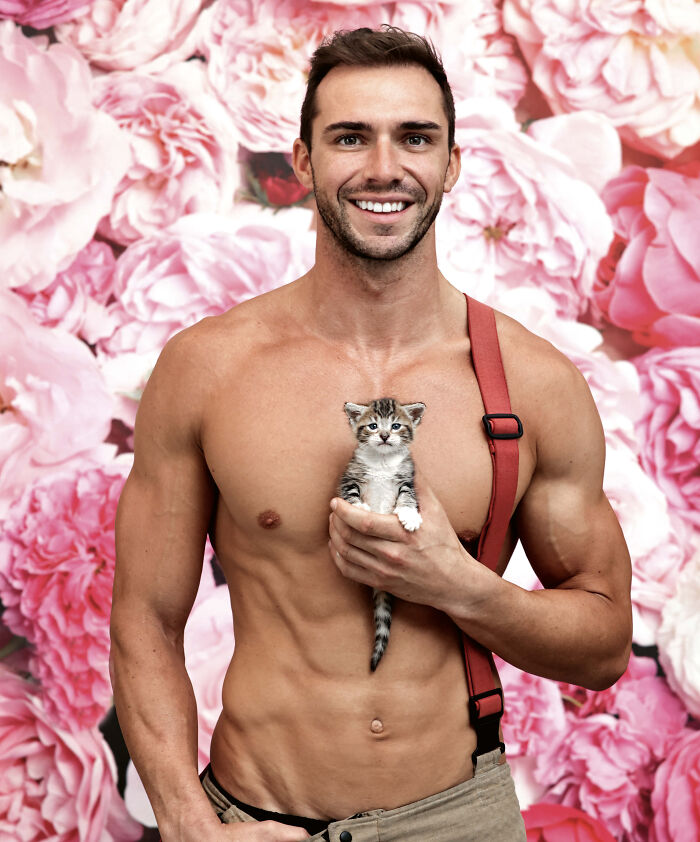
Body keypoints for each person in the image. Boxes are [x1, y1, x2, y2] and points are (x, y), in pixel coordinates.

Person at [111, 25, 633, 842]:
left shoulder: (533, 385)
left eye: (415, 138)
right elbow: (145, 617)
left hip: (459, 817)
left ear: (452, 163)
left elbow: (603, 646)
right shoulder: (209, 370)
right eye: (351, 137)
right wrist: (186, 821)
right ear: (304, 161)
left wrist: (461, 586)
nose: (384, 167)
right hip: (255, 818)